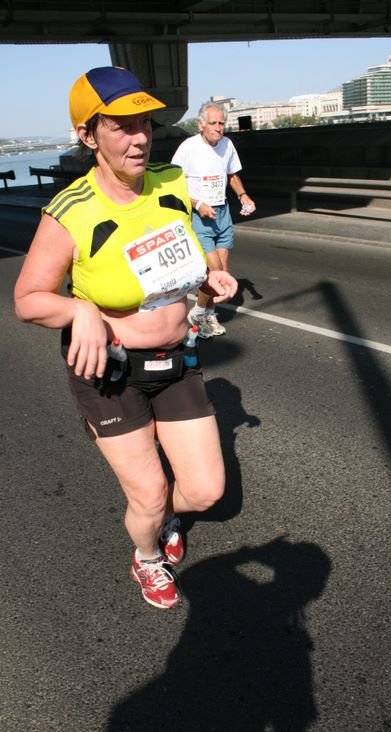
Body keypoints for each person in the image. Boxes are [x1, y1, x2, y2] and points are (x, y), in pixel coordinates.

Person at [14, 66, 237, 610]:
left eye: (145, 124)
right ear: (89, 135)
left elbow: (186, 247)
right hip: (110, 372)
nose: (139, 137)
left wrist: (209, 274)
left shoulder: (171, 182)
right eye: (121, 126)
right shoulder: (72, 210)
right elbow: (27, 299)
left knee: (206, 492)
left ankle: (162, 521)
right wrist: (79, 309)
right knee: (149, 493)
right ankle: (147, 558)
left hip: (176, 359)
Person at [171, 101, 256, 338]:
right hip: (200, 216)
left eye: (222, 123)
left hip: (223, 213)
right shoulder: (188, 148)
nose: (218, 128)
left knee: (224, 271)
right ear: (201, 125)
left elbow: (232, 175)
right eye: (213, 123)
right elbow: (172, 186)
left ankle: (203, 314)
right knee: (214, 273)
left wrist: (243, 195)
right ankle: (202, 313)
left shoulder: (227, 145)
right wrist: (197, 204)